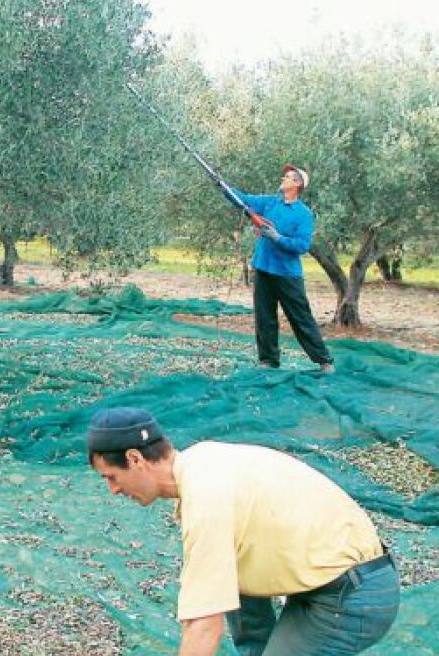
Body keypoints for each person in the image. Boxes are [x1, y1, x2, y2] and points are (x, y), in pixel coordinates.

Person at [86, 407, 399, 656]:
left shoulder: (206, 495)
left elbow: (203, 626)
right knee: (228, 580)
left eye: (111, 477)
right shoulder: (204, 460)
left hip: (353, 596)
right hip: (325, 584)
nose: (113, 490)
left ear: (135, 458)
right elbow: (218, 596)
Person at [223, 165, 335, 373]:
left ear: (298, 184)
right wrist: (223, 185)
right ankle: (268, 361)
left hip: (287, 275)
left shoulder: (304, 214)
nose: (284, 177)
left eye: (289, 176)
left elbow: (301, 246)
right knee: (264, 318)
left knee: (301, 318)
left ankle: (324, 361)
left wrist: (278, 238)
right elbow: (244, 200)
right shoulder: (270, 202)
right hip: (263, 268)